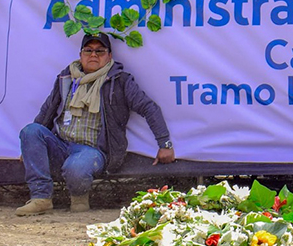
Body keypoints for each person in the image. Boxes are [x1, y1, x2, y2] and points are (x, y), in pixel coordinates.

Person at [14, 33, 174, 216]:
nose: (93, 55)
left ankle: (79, 197)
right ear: (81, 54)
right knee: (30, 131)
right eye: (88, 50)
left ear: (109, 56)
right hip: (61, 143)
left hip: (92, 151)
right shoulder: (66, 77)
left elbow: (149, 108)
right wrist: (31, 147)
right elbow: (47, 110)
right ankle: (40, 198)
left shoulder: (119, 80)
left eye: (100, 51)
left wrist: (165, 144)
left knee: (77, 167)